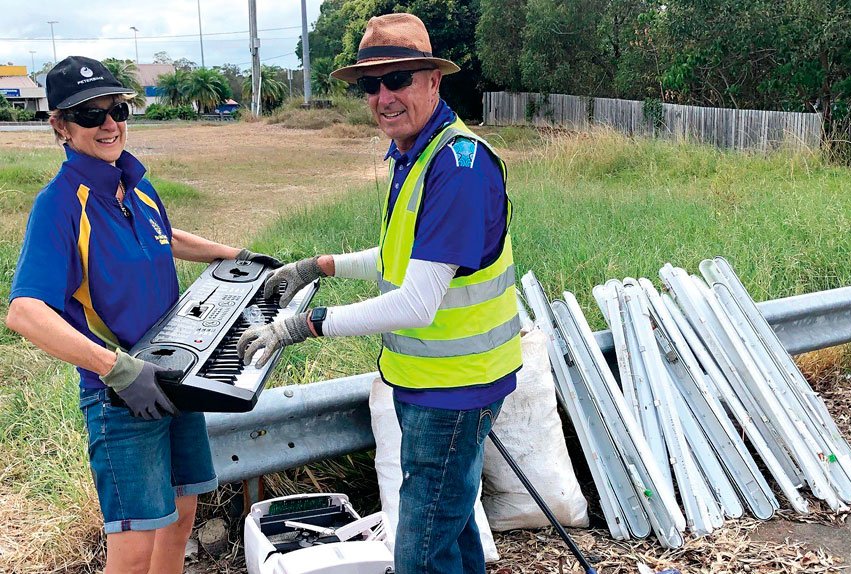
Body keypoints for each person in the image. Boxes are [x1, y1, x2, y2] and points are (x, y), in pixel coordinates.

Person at [237, 13, 523, 574]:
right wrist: (318, 265)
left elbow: (418, 301)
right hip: (435, 383)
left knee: (420, 554)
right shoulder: (417, 152)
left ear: (433, 81)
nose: (384, 96)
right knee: (454, 523)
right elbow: (404, 259)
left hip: (454, 389)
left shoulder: (457, 167)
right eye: (372, 84)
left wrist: (302, 325)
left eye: (399, 79)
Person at [5, 56, 278, 574]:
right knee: (133, 547)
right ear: (59, 126)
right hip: (121, 394)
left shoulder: (133, 185)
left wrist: (232, 255)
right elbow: (24, 311)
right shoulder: (61, 204)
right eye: (89, 114)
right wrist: (118, 369)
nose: (109, 124)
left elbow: (165, 238)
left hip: (177, 376)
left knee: (181, 513)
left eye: (117, 108)